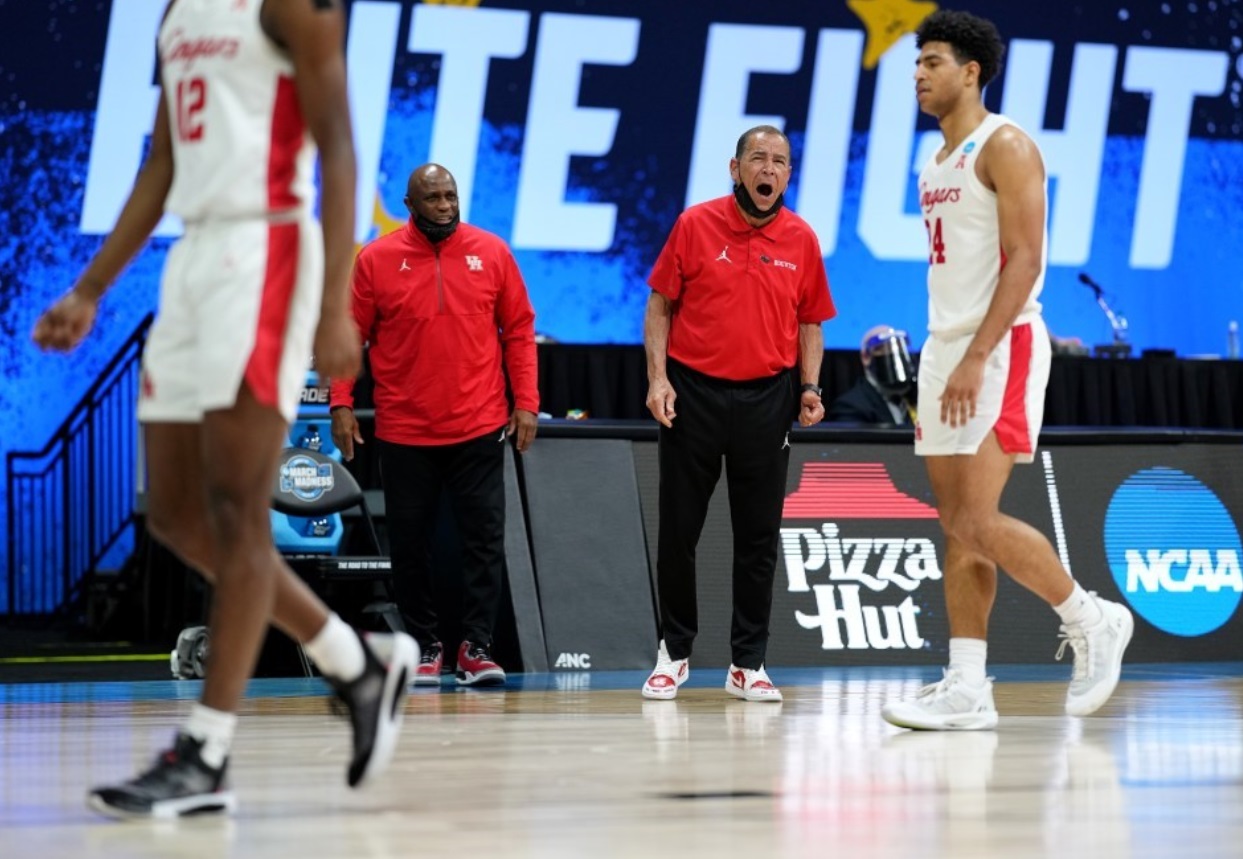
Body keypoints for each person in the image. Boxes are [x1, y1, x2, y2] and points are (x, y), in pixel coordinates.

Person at [31, 0, 418, 819]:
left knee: (240, 514)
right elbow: (161, 165)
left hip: (266, 252)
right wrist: (91, 289)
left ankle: (204, 752)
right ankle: (355, 662)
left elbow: (341, 149)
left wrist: (334, 307)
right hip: (194, 261)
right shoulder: (176, 11)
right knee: (175, 514)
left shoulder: (292, 6)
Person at [881, 10, 1133, 731]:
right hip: (944, 347)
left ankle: (1090, 617)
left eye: (931, 61)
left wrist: (977, 353)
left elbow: (1025, 258)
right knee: (953, 528)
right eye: (916, 63)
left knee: (973, 515)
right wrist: (949, 353)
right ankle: (966, 685)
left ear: (970, 71)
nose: (918, 74)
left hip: (999, 347)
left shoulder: (1008, 145)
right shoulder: (931, 161)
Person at [641, 125, 837, 703]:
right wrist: (658, 380)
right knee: (679, 532)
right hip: (692, 394)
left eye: (779, 162)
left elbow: (810, 322)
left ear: (787, 177)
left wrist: (809, 386)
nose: (768, 170)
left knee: (758, 538)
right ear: (735, 169)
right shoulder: (695, 225)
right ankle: (674, 654)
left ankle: (748, 663)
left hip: (766, 399)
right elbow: (659, 306)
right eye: (758, 158)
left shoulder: (801, 238)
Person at [330, 163, 539, 689]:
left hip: (480, 421)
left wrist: (527, 403)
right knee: (410, 544)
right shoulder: (376, 259)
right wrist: (340, 402)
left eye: (451, 196)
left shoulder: (491, 252)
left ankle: (476, 647)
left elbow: (518, 330)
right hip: (406, 429)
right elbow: (349, 335)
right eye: (434, 198)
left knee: (484, 541)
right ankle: (424, 644)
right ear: (410, 204)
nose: (446, 205)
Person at [827, 325, 918, 425]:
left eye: (900, 348)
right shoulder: (851, 407)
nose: (893, 353)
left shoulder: (915, 399)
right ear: (866, 357)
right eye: (884, 349)